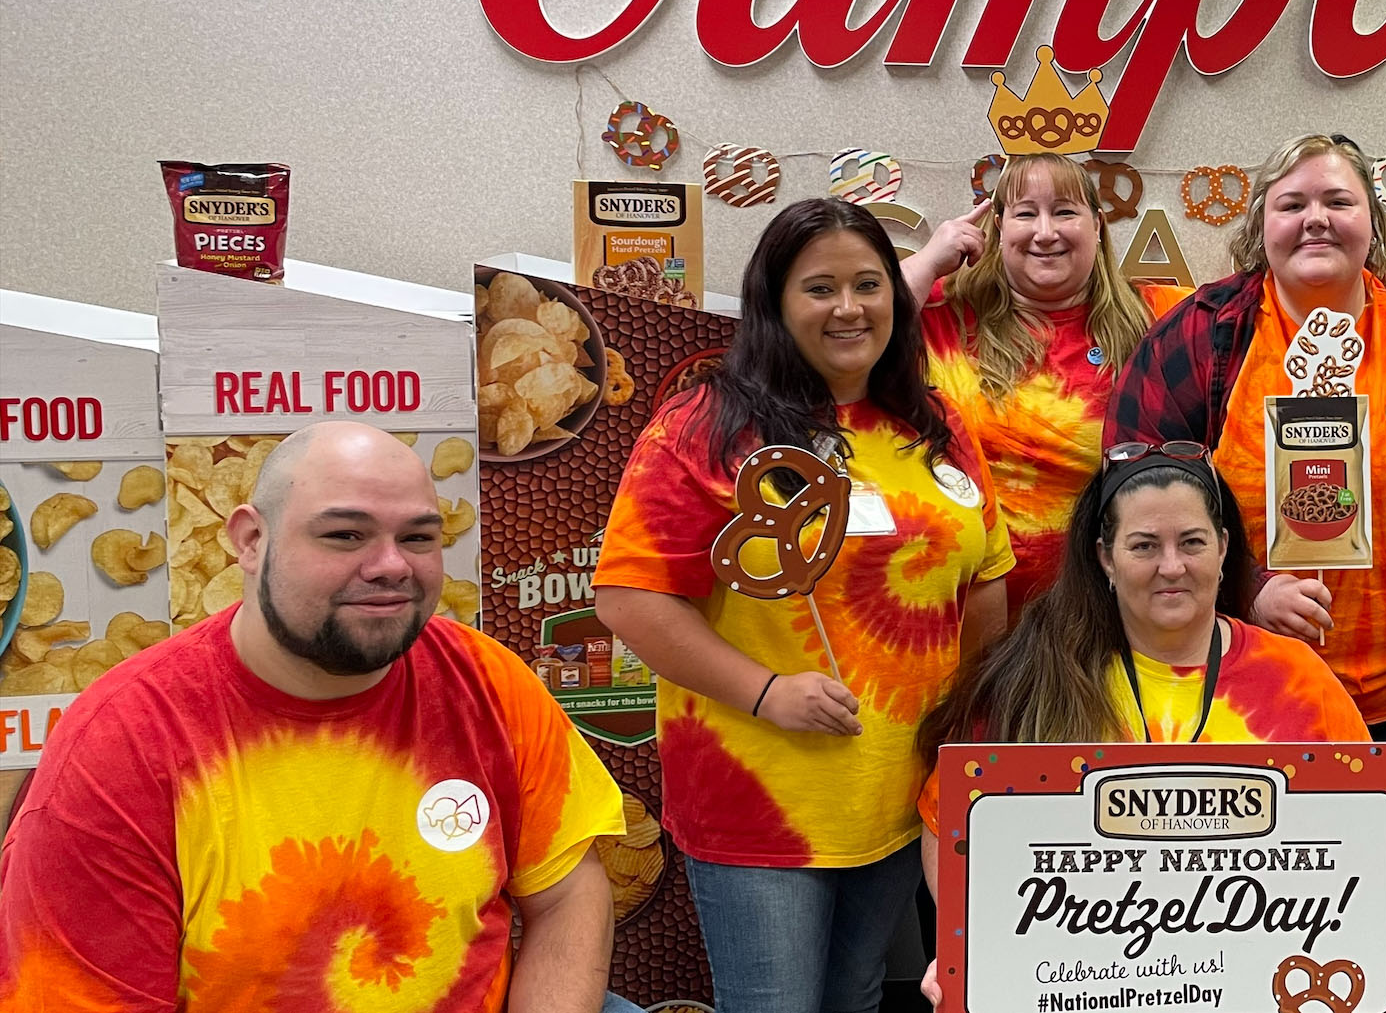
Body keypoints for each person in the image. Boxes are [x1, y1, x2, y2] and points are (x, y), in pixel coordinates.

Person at [1102, 133, 1386, 989]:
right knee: (1248, 896)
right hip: (1241, 683)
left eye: (1338, 202)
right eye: (1292, 203)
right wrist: (1246, 589)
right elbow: (1133, 491)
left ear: (1373, 219)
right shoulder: (1203, 334)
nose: (1316, 221)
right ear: (1260, 222)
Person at [0, 421, 627, 1013]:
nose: (391, 566)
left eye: (418, 537)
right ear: (250, 541)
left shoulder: (487, 680)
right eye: (344, 535)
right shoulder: (120, 750)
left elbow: (569, 893)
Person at [594, 198, 1013, 1013]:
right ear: (775, 304)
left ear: (898, 294)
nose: (849, 307)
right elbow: (630, 599)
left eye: (868, 283)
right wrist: (767, 691)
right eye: (820, 288)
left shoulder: (935, 426)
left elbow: (985, 577)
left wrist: (966, 714)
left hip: (899, 791)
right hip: (762, 805)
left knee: (857, 995)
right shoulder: (707, 426)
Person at [913, 448, 1370, 1005]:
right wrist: (972, 946)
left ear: (1224, 549)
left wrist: (1380, 967)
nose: (1172, 566)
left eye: (1193, 542)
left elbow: (1362, 839)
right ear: (1105, 557)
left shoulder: (1298, 679)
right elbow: (951, 820)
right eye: (1144, 545)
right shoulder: (1036, 676)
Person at [902, 154, 1191, 616]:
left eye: (1064, 211)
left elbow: (1260, 317)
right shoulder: (945, 311)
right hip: (965, 613)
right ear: (997, 228)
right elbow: (847, 323)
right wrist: (927, 261)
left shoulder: (1158, 315)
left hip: (1107, 613)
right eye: (1024, 213)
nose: (1045, 232)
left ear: (1097, 225)